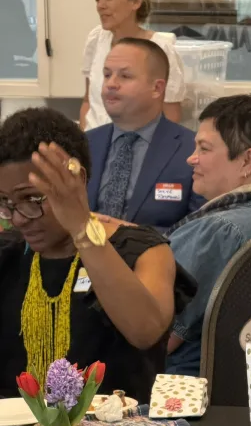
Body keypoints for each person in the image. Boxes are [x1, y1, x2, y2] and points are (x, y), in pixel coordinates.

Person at [0, 108, 195, 403]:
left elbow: (145, 332)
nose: (18, 218)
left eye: (31, 198)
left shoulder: (142, 250)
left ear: (78, 181)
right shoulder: (8, 253)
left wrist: (81, 227)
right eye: (6, 202)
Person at [165, 94, 251, 376]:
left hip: (183, 388)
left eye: (204, 148)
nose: (191, 158)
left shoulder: (216, 231)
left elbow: (157, 336)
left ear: (247, 160)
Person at [86, 38, 203, 231]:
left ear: (157, 88)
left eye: (125, 76)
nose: (111, 84)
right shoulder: (83, 145)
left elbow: (198, 232)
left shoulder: (193, 151)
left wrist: (121, 233)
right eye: (107, 75)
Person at [81, 0, 185, 130]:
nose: (100, 5)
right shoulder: (96, 39)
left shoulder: (160, 49)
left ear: (135, 2)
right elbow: (88, 101)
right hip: (95, 140)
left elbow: (171, 114)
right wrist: (84, 140)